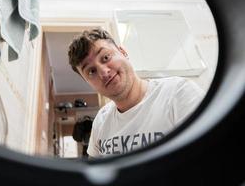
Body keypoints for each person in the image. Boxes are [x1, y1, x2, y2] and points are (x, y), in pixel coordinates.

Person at [67, 28, 204, 158]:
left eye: (106, 57)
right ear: (88, 82)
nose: (103, 72)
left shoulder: (178, 93)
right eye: (91, 71)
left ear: (123, 52)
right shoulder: (101, 120)